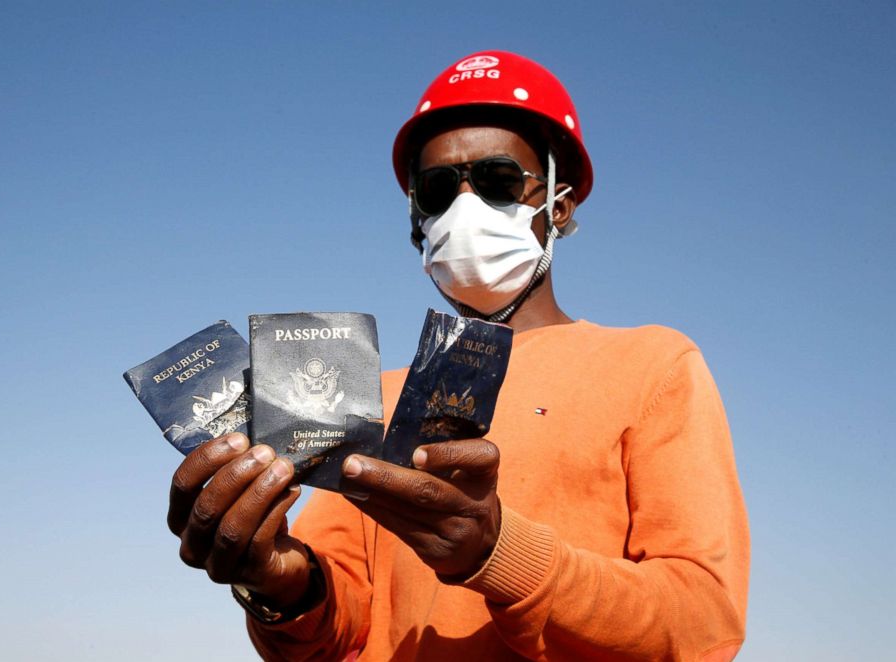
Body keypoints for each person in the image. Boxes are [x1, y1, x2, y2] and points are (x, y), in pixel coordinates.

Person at [166, 50, 750, 660]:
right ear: (418, 219)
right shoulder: (377, 395)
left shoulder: (652, 366)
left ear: (559, 204)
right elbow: (335, 631)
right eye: (439, 189)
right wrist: (279, 584)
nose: (464, 207)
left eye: (498, 180)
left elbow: (701, 622)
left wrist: (498, 555)